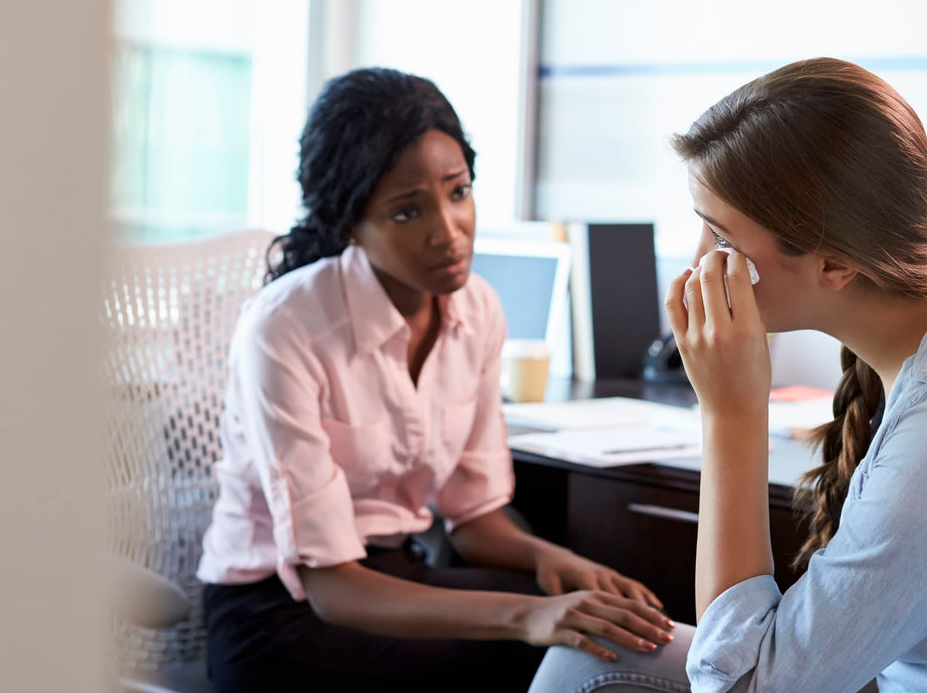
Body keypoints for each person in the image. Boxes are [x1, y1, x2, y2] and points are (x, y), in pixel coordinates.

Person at [528, 57, 927, 692]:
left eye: (722, 240)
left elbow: (745, 687)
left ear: (834, 264)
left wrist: (730, 415)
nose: (698, 266)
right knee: (589, 653)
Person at [196, 68, 675, 692]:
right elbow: (331, 588)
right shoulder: (286, 329)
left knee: (609, 635)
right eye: (407, 211)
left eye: (458, 192)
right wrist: (528, 615)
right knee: (542, 653)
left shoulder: (477, 311)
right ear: (350, 225)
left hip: (399, 578)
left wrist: (559, 565)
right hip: (279, 614)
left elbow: (474, 520)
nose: (449, 232)